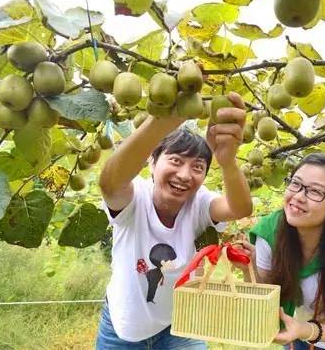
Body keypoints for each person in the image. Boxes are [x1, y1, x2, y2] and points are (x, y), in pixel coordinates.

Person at [96, 92, 253, 349]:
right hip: (123, 329)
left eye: (198, 167)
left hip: (181, 325)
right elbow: (110, 185)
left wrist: (228, 162)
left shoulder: (199, 202)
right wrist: (163, 120)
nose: (184, 174)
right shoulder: (136, 198)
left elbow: (239, 208)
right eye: (176, 161)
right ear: (152, 163)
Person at [237, 153, 325, 350]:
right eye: (295, 184)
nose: (298, 197)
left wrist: (302, 330)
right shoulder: (270, 232)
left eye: (315, 192)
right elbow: (266, 293)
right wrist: (248, 269)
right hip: (298, 336)